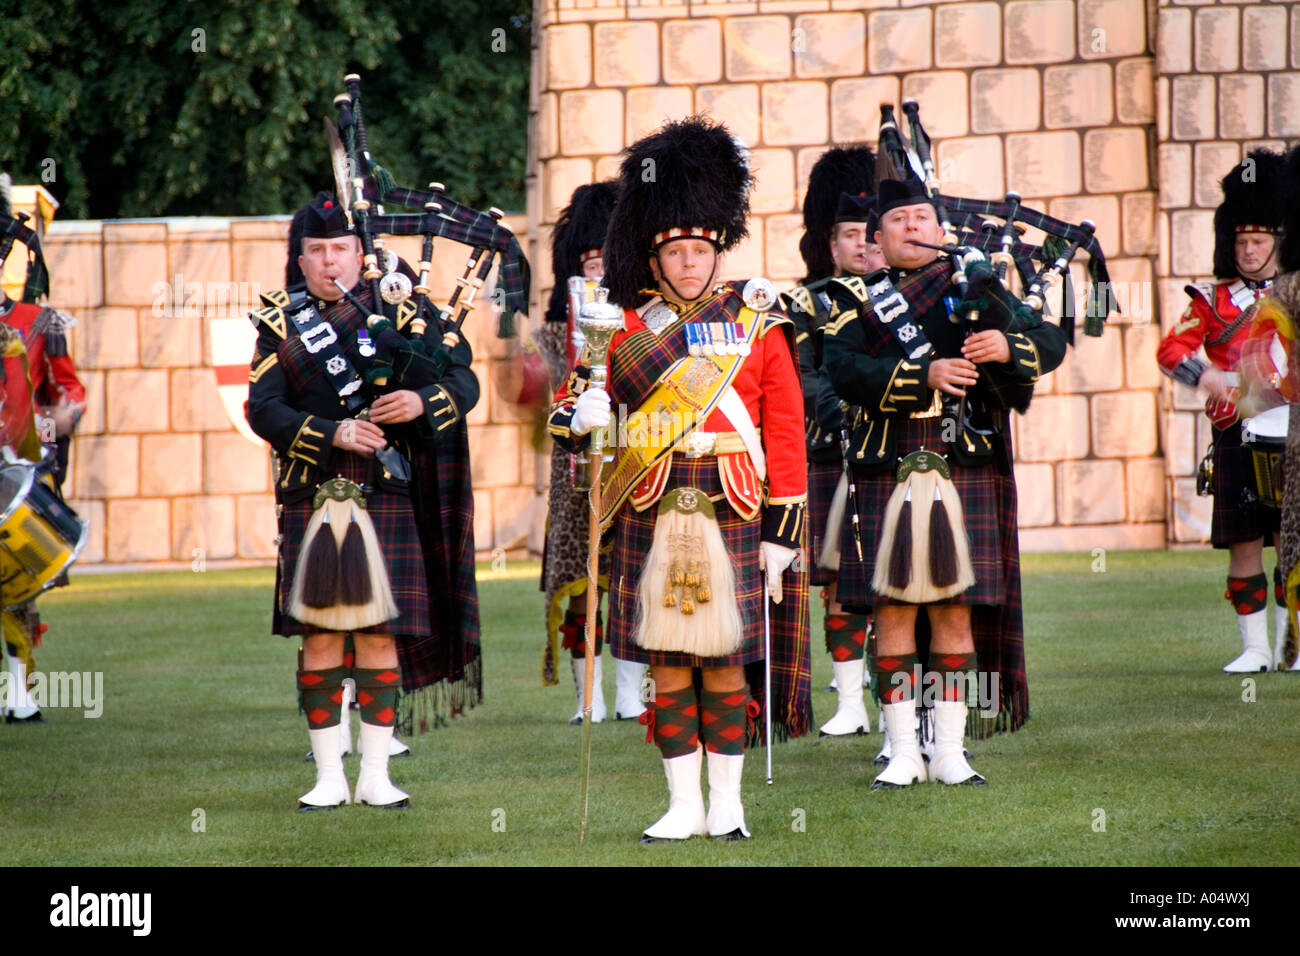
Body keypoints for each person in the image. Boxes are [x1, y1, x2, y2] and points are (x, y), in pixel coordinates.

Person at [548, 117, 811, 842]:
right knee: (669, 666)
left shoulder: (758, 320)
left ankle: (726, 804)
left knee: (724, 663)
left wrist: (784, 533)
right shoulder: (619, 324)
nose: (692, 264)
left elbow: (785, 428)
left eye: (702, 250)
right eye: (678, 252)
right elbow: (568, 420)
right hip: (650, 503)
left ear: (717, 249)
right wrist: (588, 409)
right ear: (654, 256)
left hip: (735, 504)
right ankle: (681, 804)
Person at [822, 177, 1067, 788]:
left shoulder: (977, 287)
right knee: (895, 609)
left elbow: (1052, 340)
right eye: (898, 220)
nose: (912, 227)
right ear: (877, 240)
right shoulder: (854, 298)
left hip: (965, 460)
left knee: (956, 609)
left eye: (922, 218)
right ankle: (904, 751)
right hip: (889, 462)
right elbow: (844, 368)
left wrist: (1006, 347)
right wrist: (922, 372)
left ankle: (950, 752)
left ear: (940, 230)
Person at [247, 193, 480, 810]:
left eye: (341, 250)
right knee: (321, 638)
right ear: (299, 260)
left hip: (390, 492)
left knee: (381, 635)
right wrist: (333, 433)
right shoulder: (279, 322)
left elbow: (465, 379)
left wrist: (420, 403)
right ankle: (328, 775)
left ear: (362, 254)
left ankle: (375, 774)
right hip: (315, 496)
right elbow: (263, 409)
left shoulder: (404, 310)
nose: (329, 263)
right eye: (316, 252)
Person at [1157, 149, 1290, 673]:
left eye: (1258, 241)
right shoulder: (1211, 302)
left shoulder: (1295, 293)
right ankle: (1255, 649)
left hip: (1291, 432)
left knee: (1293, 545)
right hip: (1236, 434)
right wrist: (1207, 376)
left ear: (1278, 242)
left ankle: (1290, 646)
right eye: (1241, 241)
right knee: (1244, 543)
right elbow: (1170, 350)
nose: (1249, 250)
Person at [537, 180, 648, 723]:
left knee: (632, 574)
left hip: (634, 455)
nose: (599, 268)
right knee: (584, 577)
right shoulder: (556, 327)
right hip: (576, 459)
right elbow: (545, 396)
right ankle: (590, 696)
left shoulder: (645, 316)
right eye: (590, 260)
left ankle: (631, 691)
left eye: (607, 258)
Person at [784, 146, 881, 738]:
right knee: (841, 578)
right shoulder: (806, 302)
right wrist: (846, 409)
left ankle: (907, 705)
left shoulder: (914, 295)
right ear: (831, 240)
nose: (864, 245)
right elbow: (804, 374)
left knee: (906, 579)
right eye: (850, 234)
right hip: (832, 449)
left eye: (872, 232)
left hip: (899, 452)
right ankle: (850, 702)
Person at [0, 173, 86, 723]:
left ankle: (20, 690)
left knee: (14, 587)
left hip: (17, 467)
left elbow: (67, 390)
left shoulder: (38, 322)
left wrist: (57, 421)